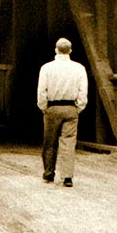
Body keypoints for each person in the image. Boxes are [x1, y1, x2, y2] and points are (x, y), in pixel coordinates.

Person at [37, 37, 88, 187]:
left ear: (55, 50)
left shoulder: (47, 68)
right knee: (69, 142)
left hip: (52, 108)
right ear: (70, 51)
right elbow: (83, 91)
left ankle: (48, 173)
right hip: (71, 108)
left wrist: (43, 107)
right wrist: (79, 107)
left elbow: (41, 91)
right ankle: (67, 177)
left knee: (50, 142)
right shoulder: (79, 68)